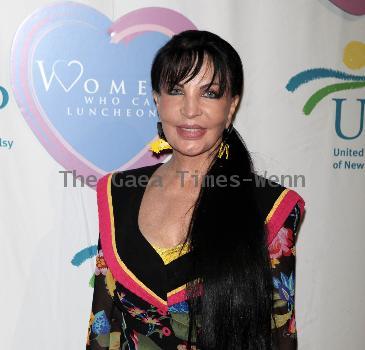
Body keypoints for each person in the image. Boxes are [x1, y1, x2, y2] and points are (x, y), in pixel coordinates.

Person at [86, 30, 306, 350]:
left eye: (210, 93)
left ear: (231, 106)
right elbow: (102, 328)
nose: (191, 110)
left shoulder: (272, 208)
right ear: (157, 101)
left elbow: (279, 335)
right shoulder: (118, 194)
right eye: (176, 90)